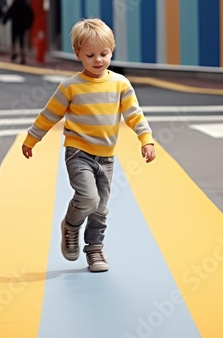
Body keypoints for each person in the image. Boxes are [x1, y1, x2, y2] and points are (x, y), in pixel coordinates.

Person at [21, 18, 156, 272]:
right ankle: (71, 226)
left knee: (101, 209)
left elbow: (135, 115)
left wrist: (145, 139)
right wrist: (32, 138)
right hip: (78, 153)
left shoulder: (120, 84)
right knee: (89, 198)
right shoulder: (70, 87)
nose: (98, 60)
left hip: (106, 157)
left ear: (112, 50)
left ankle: (94, 250)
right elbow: (49, 114)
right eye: (90, 54)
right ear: (78, 54)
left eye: (104, 54)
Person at [2, 0, 34, 64]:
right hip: (22, 25)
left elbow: (9, 13)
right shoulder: (25, 5)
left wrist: (4, 21)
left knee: (13, 39)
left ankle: (14, 53)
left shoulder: (14, 4)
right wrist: (28, 24)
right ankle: (22, 57)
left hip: (15, 25)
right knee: (21, 40)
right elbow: (31, 14)